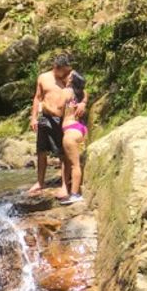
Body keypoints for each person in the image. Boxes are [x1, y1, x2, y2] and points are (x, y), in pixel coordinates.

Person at [27, 54, 87, 201]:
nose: (68, 72)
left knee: (63, 152)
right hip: (45, 117)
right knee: (41, 150)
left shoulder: (69, 80)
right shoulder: (43, 77)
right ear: (57, 67)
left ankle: (65, 185)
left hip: (61, 118)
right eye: (65, 69)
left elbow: (83, 92)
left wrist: (83, 103)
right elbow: (37, 97)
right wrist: (34, 117)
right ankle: (40, 182)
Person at [58, 69, 87, 205]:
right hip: (79, 128)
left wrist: (44, 106)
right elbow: (86, 96)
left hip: (70, 131)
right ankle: (72, 191)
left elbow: (57, 109)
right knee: (73, 163)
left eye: (69, 75)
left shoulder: (66, 92)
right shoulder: (81, 93)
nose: (67, 75)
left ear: (71, 79)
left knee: (75, 165)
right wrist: (83, 103)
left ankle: (75, 194)